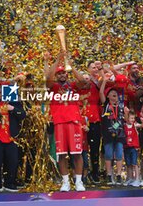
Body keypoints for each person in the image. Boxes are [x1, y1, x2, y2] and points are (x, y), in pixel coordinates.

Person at [45, 52, 87, 192]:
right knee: (61, 154)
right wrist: (57, 60)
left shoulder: (74, 85)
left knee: (77, 153)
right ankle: (65, 182)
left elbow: (83, 81)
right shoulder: (54, 87)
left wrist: (71, 65)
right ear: (57, 76)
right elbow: (47, 79)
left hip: (74, 122)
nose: (62, 75)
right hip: (59, 123)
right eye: (60, 74)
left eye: (64, 73)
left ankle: (79, 181)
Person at [0, 93, 26, 192]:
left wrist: (12, 109)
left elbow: (22, 115)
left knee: (13, 161)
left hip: (11, 138)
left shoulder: (15, 103)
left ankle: (10, 183)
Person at [99, 73, 126, 185]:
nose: (115, 95)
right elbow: (101, 92)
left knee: (119, 155)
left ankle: (119, 175)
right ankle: (109, 175)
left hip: (119, 134)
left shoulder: (121, 106)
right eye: (112, 94)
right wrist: (104, 80)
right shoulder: (105, 104)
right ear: (108, 96)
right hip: (108, 134)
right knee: (109, 155)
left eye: (116, 94)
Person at [123, 110, 143, 187]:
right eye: (131, 118)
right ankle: (130, 178)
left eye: (133, 118)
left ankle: (137, 179)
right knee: (128, 164)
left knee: (134, 164)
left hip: (134, 147)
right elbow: (115, 126)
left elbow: (142, 125)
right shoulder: (124, 125)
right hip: (126, 147)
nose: (132, 120)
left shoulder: (135, 125)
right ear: (127, 118)